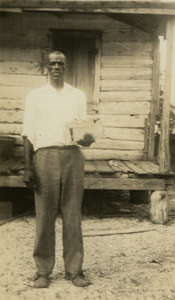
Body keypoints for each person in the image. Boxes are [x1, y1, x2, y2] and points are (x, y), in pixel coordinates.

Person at [22, 51, 90, 288]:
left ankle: (75, 270)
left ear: (66, 67)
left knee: (72, 215)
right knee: (44, 216)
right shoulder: (36, 96)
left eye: (60, 64)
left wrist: (88, 139)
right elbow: (28, 133)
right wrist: (27, 167)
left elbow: (81, 132)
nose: (56, 68)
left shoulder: (78, 95)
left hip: (72, 156)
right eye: (52, 64)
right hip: (45, 157)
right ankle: (42, 271)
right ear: (46, 68)